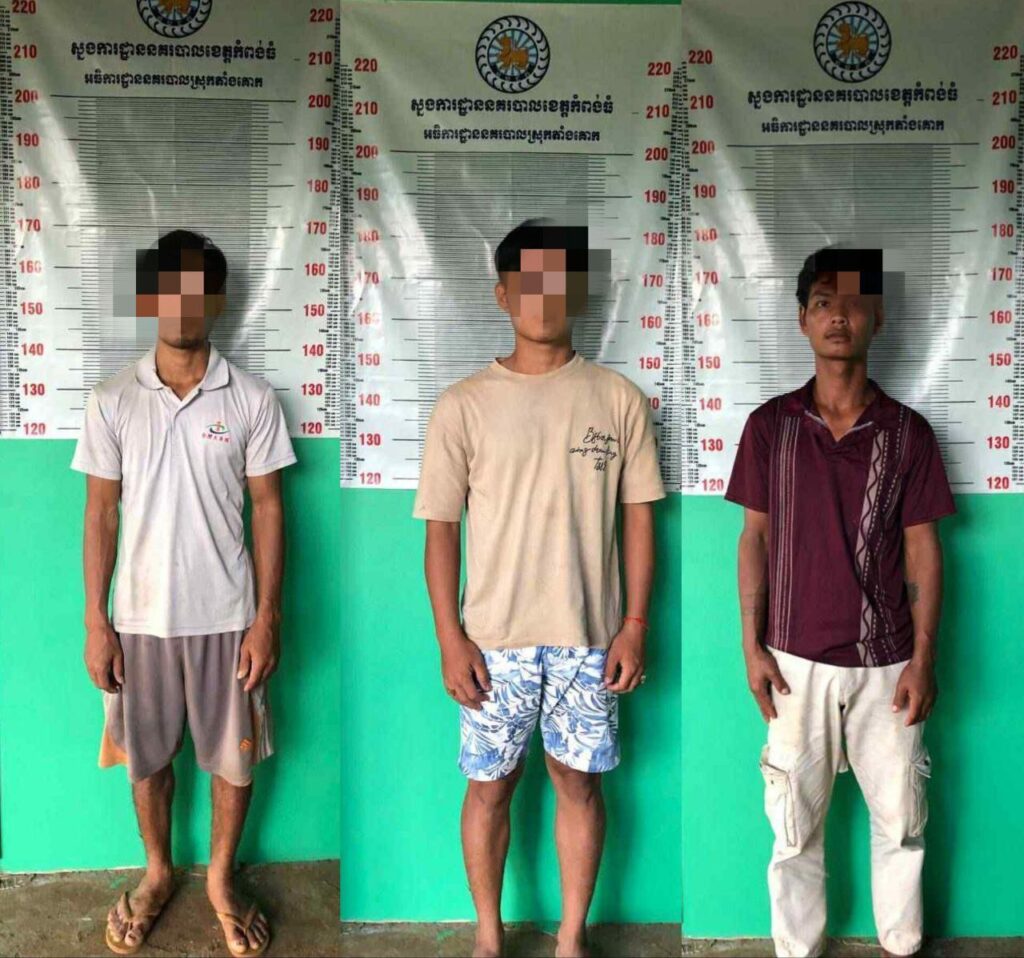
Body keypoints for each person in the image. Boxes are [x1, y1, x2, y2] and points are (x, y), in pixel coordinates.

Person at [413, 219, 666, 958]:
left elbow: (640, 521)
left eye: (559, 281)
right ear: (502, 295)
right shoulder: (463, 404)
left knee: (579, 785)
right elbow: (440, 532)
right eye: (528, 282)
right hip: (492, 642)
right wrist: (450, 638)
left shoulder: (618, 399)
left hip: (589, 639)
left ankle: (570, 938)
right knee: (490, 788)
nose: (544, 296)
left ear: (578, 292)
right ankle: (488, 936)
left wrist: (635, 624)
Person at [725, 247, 956, 958]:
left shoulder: (907, 433)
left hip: (887, 662)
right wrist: (751, 645)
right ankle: (798, 949)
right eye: (824, 302)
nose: (838, 316)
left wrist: (923, 658)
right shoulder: (771, 427)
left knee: (902, 821)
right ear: (803, 319)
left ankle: (902, 944)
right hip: (793, 662)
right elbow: (753, 539)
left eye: (854, 302)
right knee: (794, 829)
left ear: (877, 317)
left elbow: (923, 550)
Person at [72, 229, 297, 957]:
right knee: (146, 758)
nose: (182, 301)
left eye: (197, 288)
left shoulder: (252, 398)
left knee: (234, 761)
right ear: (150, 298)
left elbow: (268, 506)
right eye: (168, 287)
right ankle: (158, 872)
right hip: (138, 620)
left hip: (228, 618)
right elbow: (100, 513)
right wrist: (96, 622)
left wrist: (266, 617)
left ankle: (221, 881)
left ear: (217, 301)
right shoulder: (112, 400)